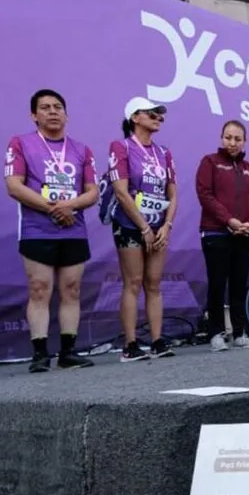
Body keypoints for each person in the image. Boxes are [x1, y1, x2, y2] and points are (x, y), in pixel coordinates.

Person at [4, 89, 98, 373]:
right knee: (39, 288)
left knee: (71, 289)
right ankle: (40, 354)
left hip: (74, 229)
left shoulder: (82, 149)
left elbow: (92, 192)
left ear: (66, 114)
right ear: (34, 115)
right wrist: (53, 208)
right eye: (45, 107)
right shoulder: (20, 143)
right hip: (37, 229)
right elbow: (14, 185)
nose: (53, 111)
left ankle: (68, 352)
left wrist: (69, 206)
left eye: (58, 107)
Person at [105, 97, 178, 362]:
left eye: (160, 114)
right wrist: (144, 227)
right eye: (152, 113)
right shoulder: (121, 146)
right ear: (135, 117)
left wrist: (166, 225)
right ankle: (131, 345)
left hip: (158, 225)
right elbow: (121, 192)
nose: (158, 117)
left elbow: (172, 192)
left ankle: (157, 341)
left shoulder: (164, 152)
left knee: (154, 283)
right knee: (134, 282)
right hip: (129, 223)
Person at [196, 120, 249, 352]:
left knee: (238, 285)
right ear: (222, 138)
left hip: (243, 234)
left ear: (244, 141)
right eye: (228, 137)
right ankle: (216, 333)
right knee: (217, 284)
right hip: (215, 232)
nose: (232, 142)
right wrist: (229, 221)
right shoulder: (210, 162)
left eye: (237, 138)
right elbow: (205, 195)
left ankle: (239, 333)